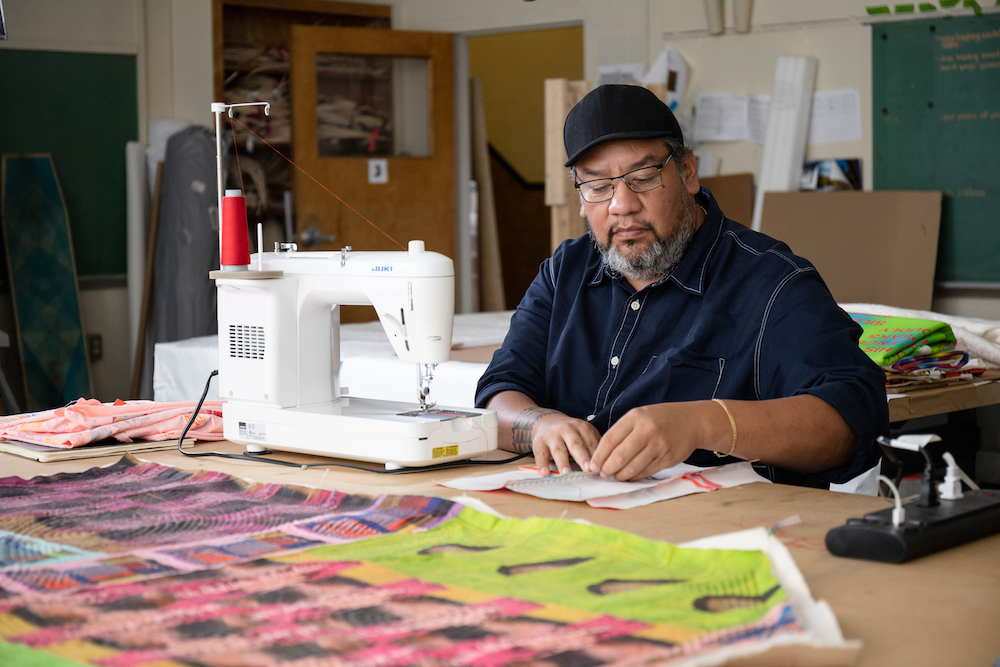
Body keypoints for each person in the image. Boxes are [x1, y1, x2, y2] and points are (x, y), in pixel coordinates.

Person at [475, 84, 889, 489]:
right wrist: (540, 424)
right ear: (582, 198)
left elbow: (853, 420)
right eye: (599, 187)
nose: (621, 205)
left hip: (720, 538)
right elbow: (499, 393)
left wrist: (703, 423)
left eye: (643, 177)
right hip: (571, 524)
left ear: (687, 171)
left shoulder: (771, 284)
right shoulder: (563, 272)